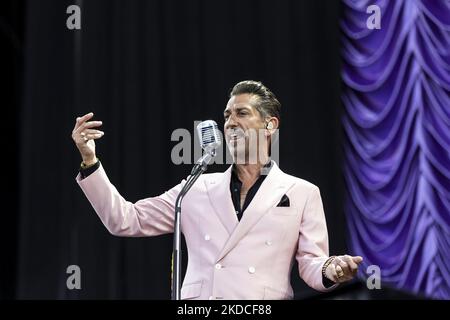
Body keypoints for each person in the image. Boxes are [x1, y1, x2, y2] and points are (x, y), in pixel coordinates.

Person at [72, 80, 363, 300]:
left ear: (270, 125)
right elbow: (125, 219)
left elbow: (311, 265)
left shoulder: (302, 192)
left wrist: (330, 269)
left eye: (242, 113)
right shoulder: (196, 188)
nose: (230, 122)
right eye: (226, 116)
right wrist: (89, 159)